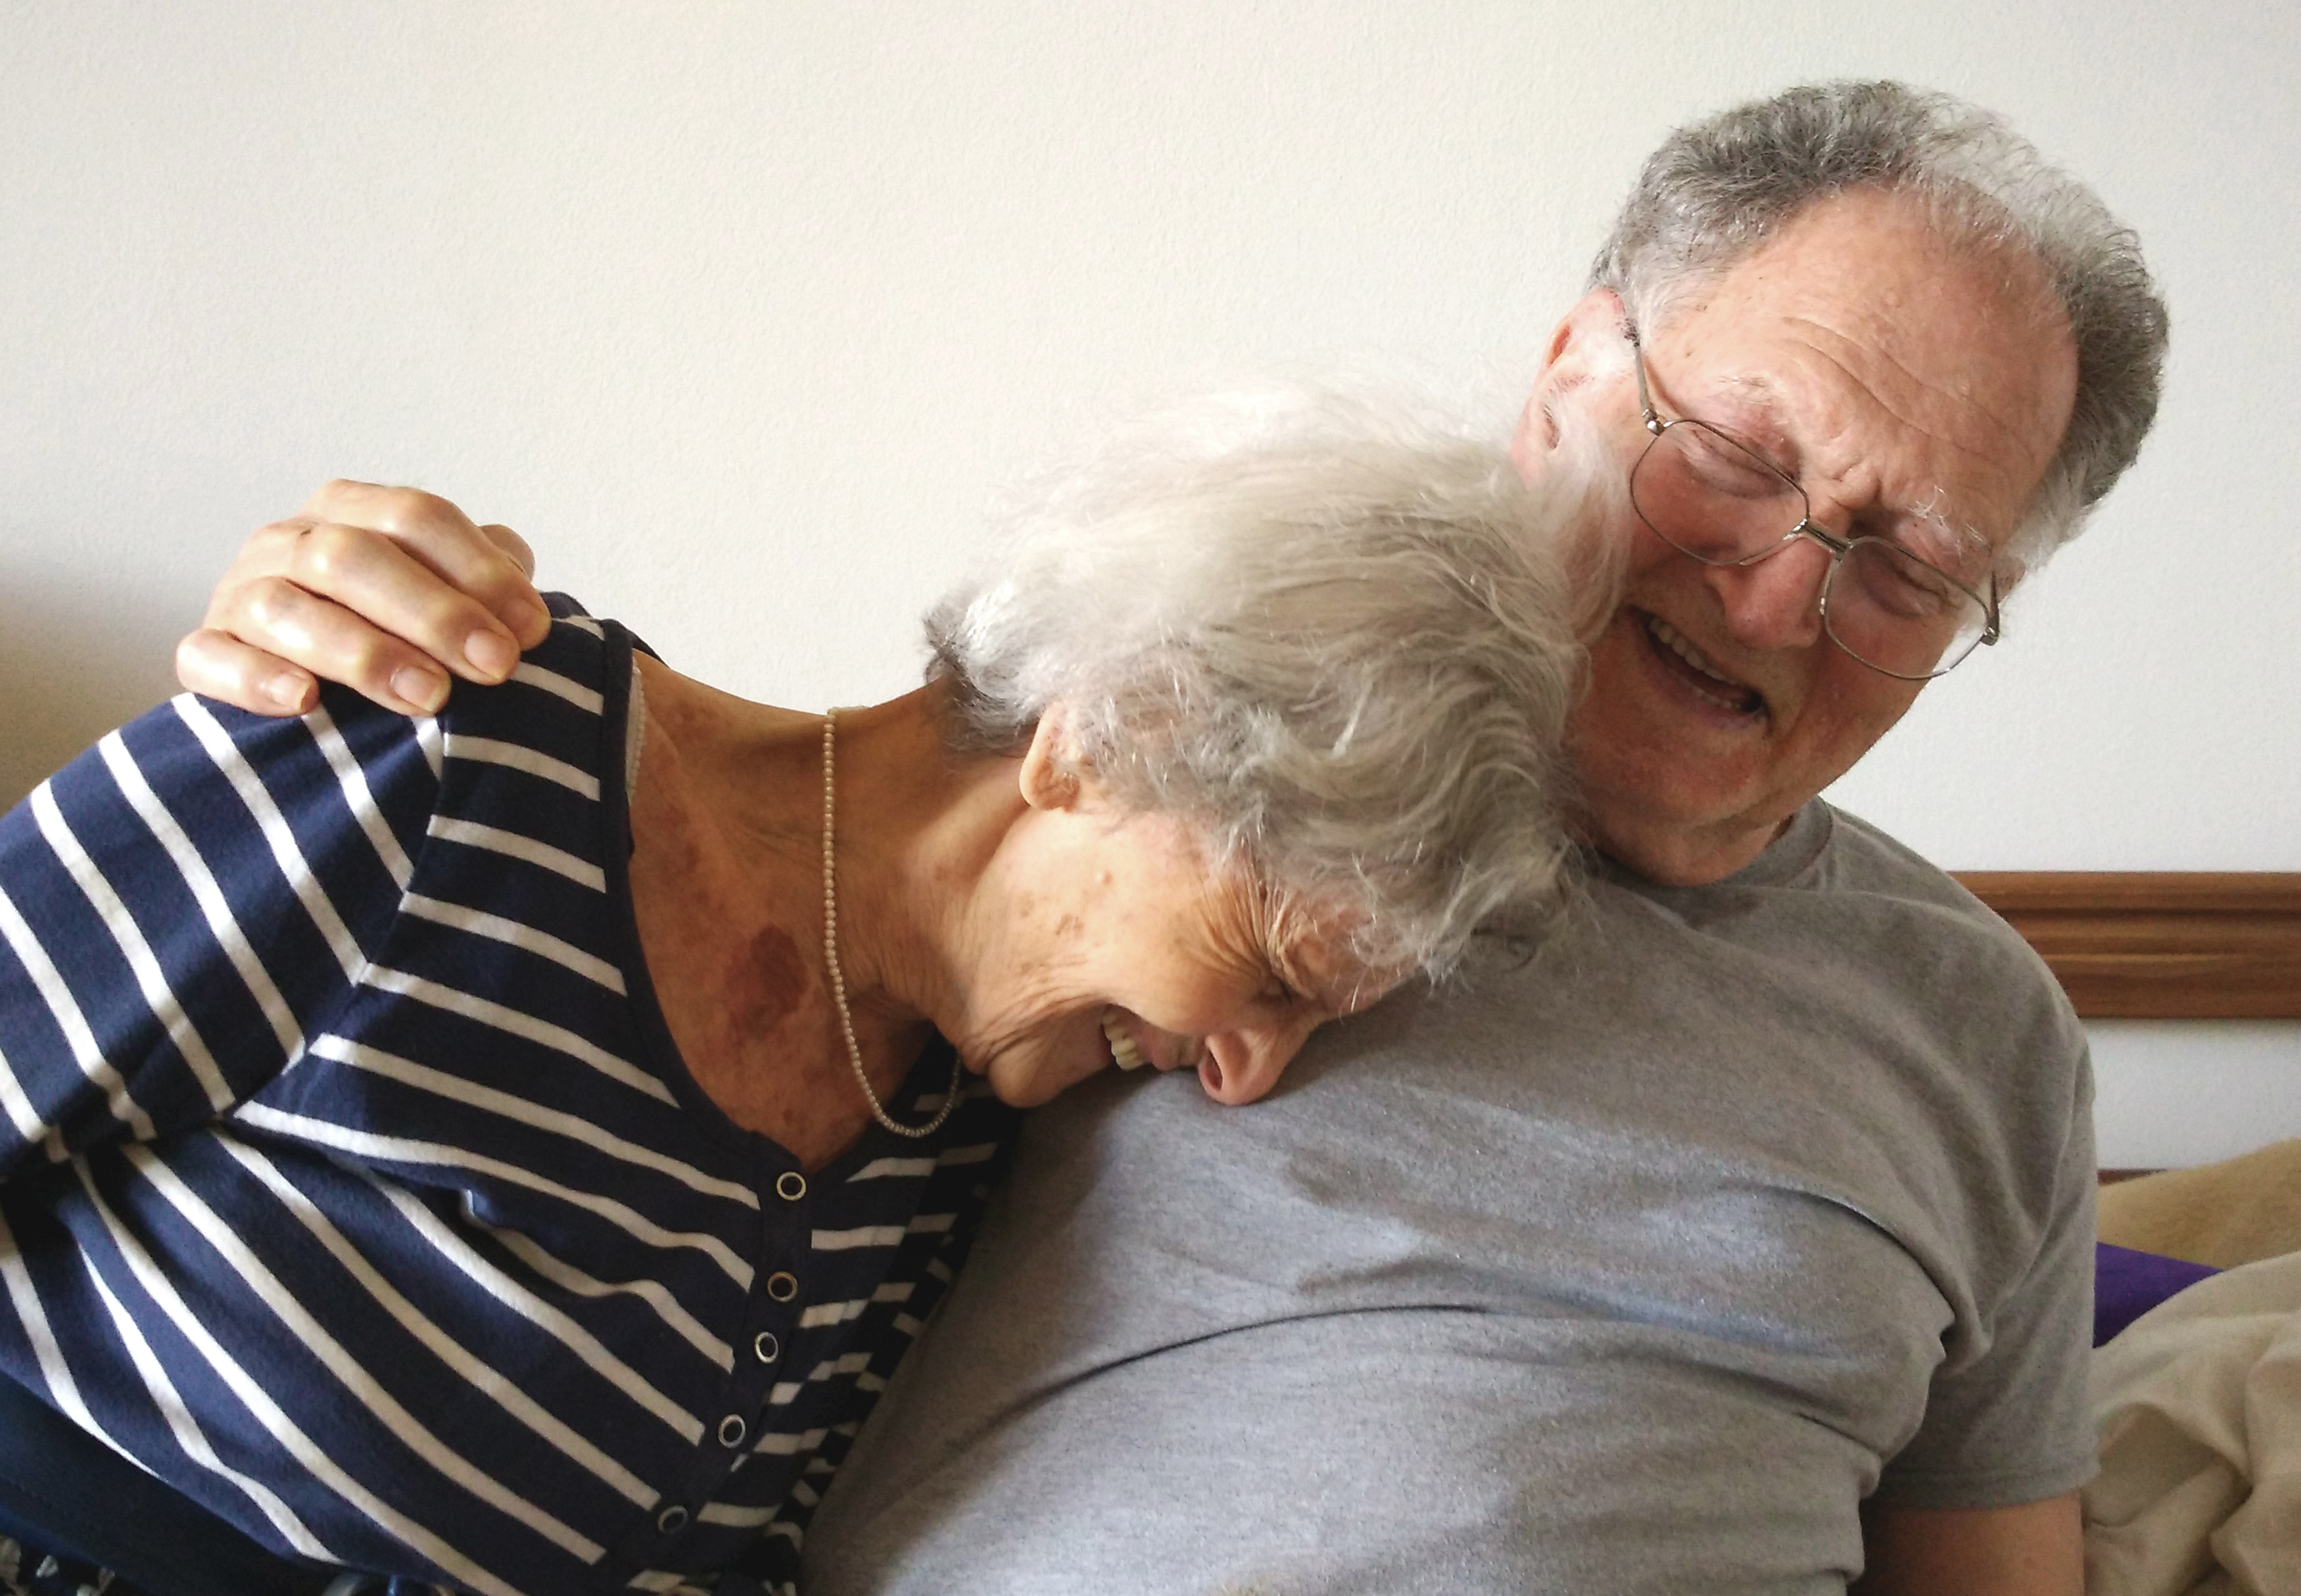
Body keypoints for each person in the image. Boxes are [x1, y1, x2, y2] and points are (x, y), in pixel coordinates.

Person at [169, 81, 2170, 1595]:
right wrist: (376, 642)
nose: (1779, 593)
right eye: (1737, 452)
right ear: (1571, 369)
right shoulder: (1164, 780)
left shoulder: (1975, 1028)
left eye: (1909, 561)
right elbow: (702, 891)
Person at [0, 393, 1601, 1596]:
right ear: (1115, 735)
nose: (1248, 1070)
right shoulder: (442, 744)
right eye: (1272, 974)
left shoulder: (952, 1139)